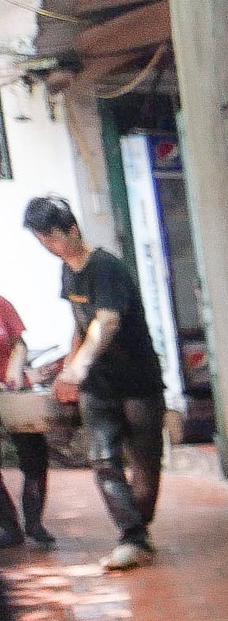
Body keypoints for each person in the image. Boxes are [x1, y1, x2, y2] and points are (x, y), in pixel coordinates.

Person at [22, 196, 164, 570]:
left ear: (73, 228)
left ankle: (139, 532)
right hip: (97, 386)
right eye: (42, 240)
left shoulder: (107, 268)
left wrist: (80, 364)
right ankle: (132, 537)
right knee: (102, 460)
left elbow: (106, 322)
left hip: (137, 381)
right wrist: (69, 366)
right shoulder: (68, 272)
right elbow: (80, 322)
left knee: (145, 464)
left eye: (52, 237)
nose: (49, 247)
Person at [0, 292, 48, 547]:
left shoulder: (2, 303)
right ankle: (7, 525)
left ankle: (35, 522)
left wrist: (14, 369)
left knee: (35, 455)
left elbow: (19, 343)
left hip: (13, 390)